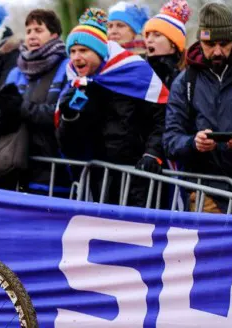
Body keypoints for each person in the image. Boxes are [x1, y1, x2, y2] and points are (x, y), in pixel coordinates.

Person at [56, 8, 167, 206]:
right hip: (98, 180)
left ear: (99, 52)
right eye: (72, 51)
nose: (76, 57)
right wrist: (69, 117)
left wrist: (152, 153)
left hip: (138, 178)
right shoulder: (77, 84)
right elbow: (70, 147)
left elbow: (162, 118)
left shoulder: (134, 72)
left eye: (83, 50)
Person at [0, 9, 70, 195]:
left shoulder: (66, 68)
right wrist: (3, 113)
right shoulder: (16, 71)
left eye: (39, 30)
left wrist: (21, 108)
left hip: (51, 172)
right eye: (29, 31)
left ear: (54, 35)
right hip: (12, 168)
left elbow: (59, 115)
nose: (32, 35)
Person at [164, 3, 232, 213]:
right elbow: (170, 140)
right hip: (206, 192)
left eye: (224, 43)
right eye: (209, 44)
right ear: (200, 41)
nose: (217, 51)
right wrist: (193, 142)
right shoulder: (185, 81)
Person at [143, 0, 190, 89]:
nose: (149, 40)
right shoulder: (140, 71)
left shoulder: (190, 76)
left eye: (157, 35)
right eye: (147, 35)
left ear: (173, 43)